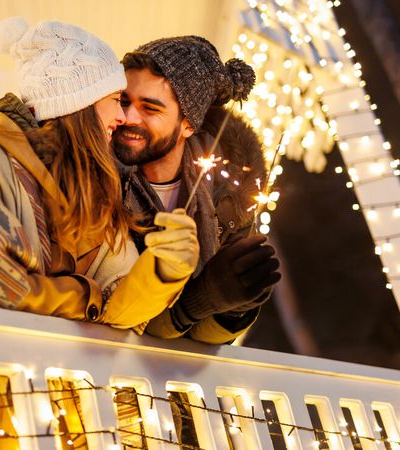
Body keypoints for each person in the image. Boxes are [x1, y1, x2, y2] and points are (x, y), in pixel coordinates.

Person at [0, 17, 199, 332]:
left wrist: (165, 270)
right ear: (79, 103)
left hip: (49, 375)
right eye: (114, 100)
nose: (122, 117)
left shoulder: (89, 187)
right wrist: (87, 296)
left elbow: (120, 306)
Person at [112, 36, 282, 344]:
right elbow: (116, 315)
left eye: (150, 108)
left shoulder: (227, 195)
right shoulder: (98, 178)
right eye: (124, 101)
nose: (128, 117)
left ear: (189, 124)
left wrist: (231, 312)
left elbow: (204, 345)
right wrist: (195, 301)